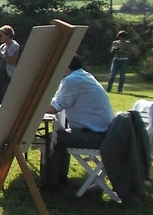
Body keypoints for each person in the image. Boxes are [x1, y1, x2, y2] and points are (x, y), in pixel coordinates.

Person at [41, 55, 114, 190]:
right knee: (59, 135)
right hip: (103, 133)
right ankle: (59, 177)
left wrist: (33, 105)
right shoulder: (83, 76)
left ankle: (51, 184)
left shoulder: (72, 80)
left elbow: (53, 108)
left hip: (94, 136)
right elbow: (59, 101)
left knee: (51, 139)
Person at [0, 25, 21, 112]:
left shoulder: (14, 46)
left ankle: (5, 111)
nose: (0, 38)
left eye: (1, 35)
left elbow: (12, 61)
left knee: (5, 93)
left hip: (7, 74)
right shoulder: (2, 46)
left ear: (8, 35)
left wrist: (1, 54)